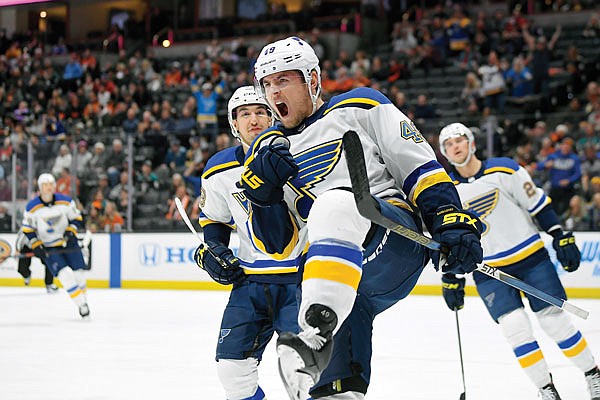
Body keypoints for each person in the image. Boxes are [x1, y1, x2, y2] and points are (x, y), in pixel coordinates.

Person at [239, 36, 484, 400]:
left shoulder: (361, 106)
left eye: (284, 80)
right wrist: (262, 199)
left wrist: (447, 217)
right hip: (333, 281)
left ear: (313, 81)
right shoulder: (265, 149)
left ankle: (317, 335)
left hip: (392, 245)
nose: (274, 92)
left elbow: (419, 167)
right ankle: (323, 338)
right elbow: (277, 244)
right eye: (267, 83)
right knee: (336, 393)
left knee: (335, 204)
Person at [438, 122, 600, 400]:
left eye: (460, 139)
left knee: (555, 323)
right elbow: (451, 235)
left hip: (530, 258)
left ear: (472, 143)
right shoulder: (446, 190)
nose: (456, 146)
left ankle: (592, 374)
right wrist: (451, 275)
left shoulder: (505, 169)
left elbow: (537, 204)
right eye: (449, 144)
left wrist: (560, 235)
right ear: (444, 153)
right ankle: (546, 389)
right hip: (488, 269)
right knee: (515, 330)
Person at [192, 86, 300, 400]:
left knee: (303, 371)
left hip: (303, 277)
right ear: (234, 124)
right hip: (250, 282)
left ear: (274, 116)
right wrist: (215, 250)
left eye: (261, 112)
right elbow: (214, 219)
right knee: (232, 371)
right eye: (244, 114)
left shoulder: (303, 151)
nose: (253, 119)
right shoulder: (218, 168)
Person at [22, 173, 90, 318]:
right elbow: (28, 229)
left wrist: (71, 232)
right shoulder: (32, 207)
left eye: (51, 184)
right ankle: (81, 305)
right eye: (45, 185)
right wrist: (36, 245)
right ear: (40, 188)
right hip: (49, 247)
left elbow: (77, 218)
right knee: (65, 275)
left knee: (79, 276)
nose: (49, 187)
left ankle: (83, 299)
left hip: (68, 243)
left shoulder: (66, 201)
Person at [15, 227, 59, 293]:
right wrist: (18, 250)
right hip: (27, 246)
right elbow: (20, 238)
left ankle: (49, 284)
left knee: (49, 263)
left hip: (42, 246)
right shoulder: (28, 224)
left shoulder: (45, 223)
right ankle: (26, 275)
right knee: (22, 268)